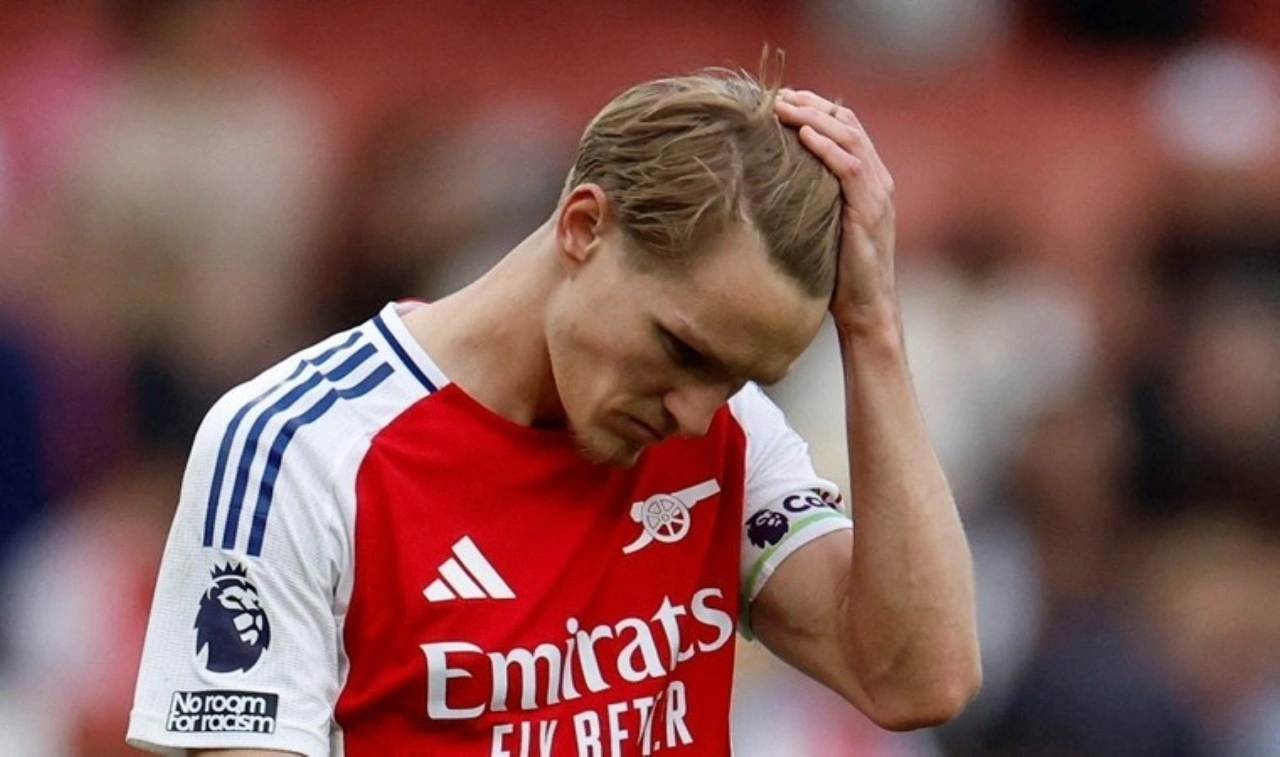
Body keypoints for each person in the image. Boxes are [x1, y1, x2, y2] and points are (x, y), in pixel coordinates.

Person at [126, 67, 980, 756]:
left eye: (740, 376)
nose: (695, 413)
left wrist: (873, 329)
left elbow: (915, 678)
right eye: (681, 347)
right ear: (583, 226)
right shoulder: (293, 448)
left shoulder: (730, 432)